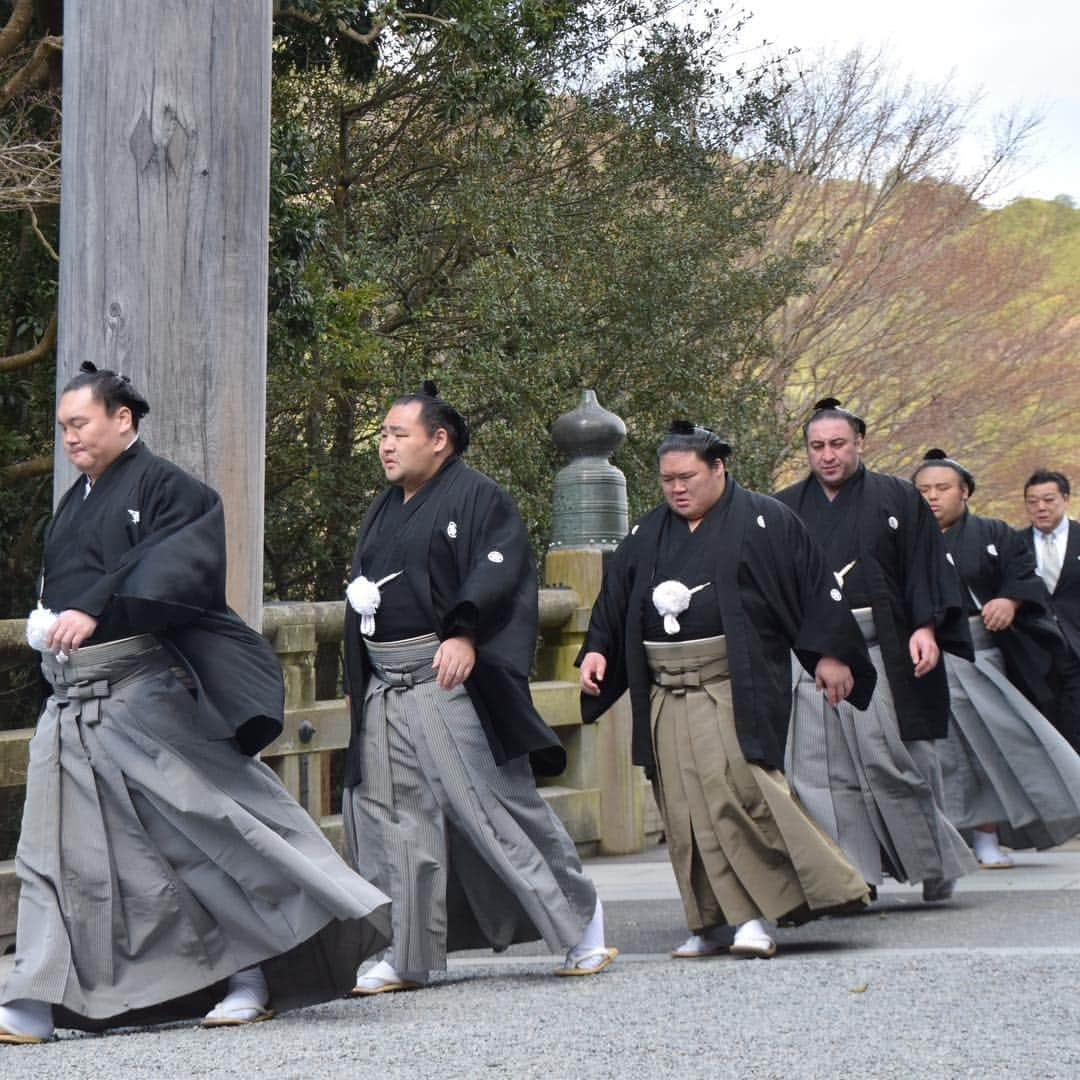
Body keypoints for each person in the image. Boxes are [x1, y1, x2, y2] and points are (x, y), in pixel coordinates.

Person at [0, 364, 392, 1046]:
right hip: (72, 707)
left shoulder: (170, 490)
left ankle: (250, 978)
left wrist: (95, 607)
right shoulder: (75, 502)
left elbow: (180, 567)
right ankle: (35, 995)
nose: (69, 438)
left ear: (123, 419)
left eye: (80, 423)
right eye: (62, 428)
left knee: (203, 840)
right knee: (54, 854)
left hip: (139, 696)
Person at [341, 382, 614, 995]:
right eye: (383, 434)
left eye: (398, 434)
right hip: (388, 682)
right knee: (394, 818)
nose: (385, 445)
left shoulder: (480, 498)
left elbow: (501, 570)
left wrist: (465, 634)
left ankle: (581, 924)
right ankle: (405, 952)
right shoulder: (384, 507)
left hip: (446, 673)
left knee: (496, 804)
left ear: (439, 442)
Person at [578, 421, 875, 960]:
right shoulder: (649, 533)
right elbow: (614, 601)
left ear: (719, 468)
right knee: (683, 807)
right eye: (667, 480)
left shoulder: (766, 519)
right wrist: (597, 649)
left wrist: (831, 653)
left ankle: (755, 914)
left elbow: (815, 585)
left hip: (730, 683)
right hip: (666, 690)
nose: (676, 489)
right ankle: (708, 920)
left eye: (687, 476)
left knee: (736, 794)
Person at [774, 399, 975, 901]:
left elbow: (926, 567)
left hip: (887, 644)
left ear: (860, 443)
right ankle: (851, 875)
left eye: (838, 444)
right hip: (815, 652)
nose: (828, 455)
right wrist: (813, 649)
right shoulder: (784, 508)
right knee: (821, 769)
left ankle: (933, 860)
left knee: (896, 759)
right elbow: (775, 589)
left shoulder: (899, 498)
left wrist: (926, 627)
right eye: (817, 446)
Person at [913, 450, 1080, 867]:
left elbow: (1024, 576)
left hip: (980, 652)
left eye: (943, 488)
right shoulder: (902, 540)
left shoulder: (995, 533)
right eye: (924, 490)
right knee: (935, 753)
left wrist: (1010, 600)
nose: (933, 497)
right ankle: (941, 840)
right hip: (919, 656)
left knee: (989, 746)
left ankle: (987, 837)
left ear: (965, 492)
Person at [1021, 469, 1080, 751]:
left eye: (1048, 500)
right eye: (1032, 502)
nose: (1040, 507)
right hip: (1038, 649)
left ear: (1065, 499)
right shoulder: (1014, 544)